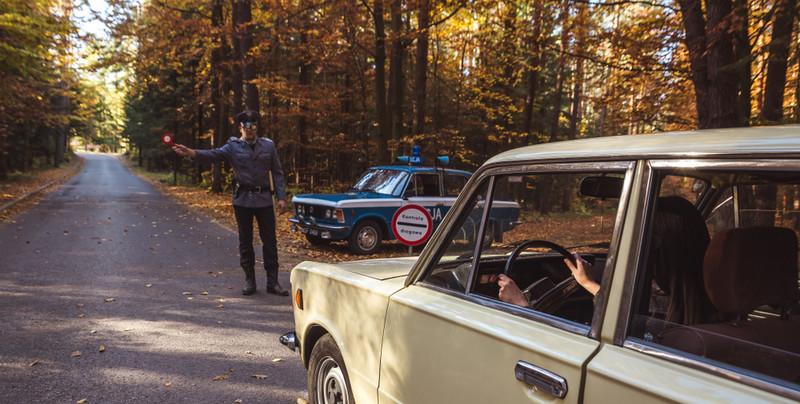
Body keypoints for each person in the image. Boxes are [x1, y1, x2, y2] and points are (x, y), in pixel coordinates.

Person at [171, 110, 289, 296]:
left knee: (270, 242)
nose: (250, 130)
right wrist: (191, 152)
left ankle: (272, 282)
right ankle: (250, 280)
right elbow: (213, 155)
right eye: (246, 126)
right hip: (243, 200)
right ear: (240, 127)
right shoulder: (232, 147)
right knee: (245, 241)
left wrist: (281, 197)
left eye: (253, 126)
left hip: (265, 200)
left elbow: (277, 172)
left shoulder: (268, 146)